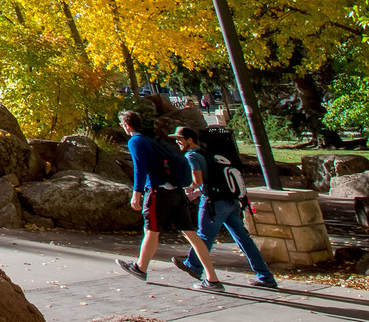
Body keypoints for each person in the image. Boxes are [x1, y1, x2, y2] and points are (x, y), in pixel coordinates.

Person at [115, 111, 223, 291]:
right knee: (191, 234)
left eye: (122, 124)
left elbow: (139, 169)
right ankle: (212, 279)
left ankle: (140, 268)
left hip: (159, 193)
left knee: (151, 231)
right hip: (177, 193)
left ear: (126, 125)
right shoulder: (153, 140)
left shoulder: (136, 141)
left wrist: (137, 193)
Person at [171, 126, 279, 289]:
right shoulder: (208, 153)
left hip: (213, 204)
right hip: (230, 201)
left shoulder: (192, 156)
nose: (177, 141)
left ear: (190, 140)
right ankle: (265, 276)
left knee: (203, 236)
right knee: (244, 240)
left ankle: (194, 266)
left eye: (180, 138)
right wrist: (197, 193)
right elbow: (214, 180)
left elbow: (198, 181)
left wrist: (188, 188)